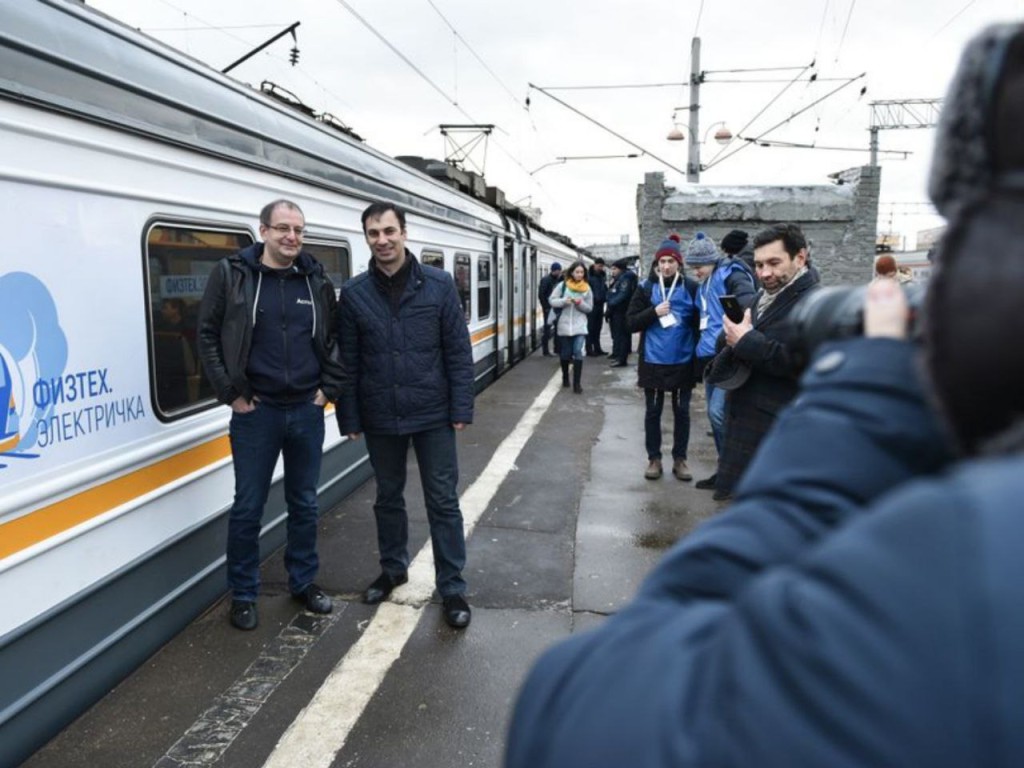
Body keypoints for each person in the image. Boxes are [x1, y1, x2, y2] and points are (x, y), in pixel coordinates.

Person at [507, 22, 1024, 766]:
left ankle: (687, 460)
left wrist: (862, 407)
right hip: (683, 374)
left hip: (733, 393)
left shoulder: (968, 556)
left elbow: (580, 714)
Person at [197, 199, 343, 631]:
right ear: (263, 231)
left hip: (306, 409)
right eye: (282, 228)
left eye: (298, 229)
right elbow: (206, 333)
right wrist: (231, 394)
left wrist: (327, 392)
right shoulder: (233, 275)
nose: (292, 237)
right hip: (255, 412)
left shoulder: (315, 280)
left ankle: (303, 582)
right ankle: (243, 594)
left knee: (304, 502)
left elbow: (336, 340)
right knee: (248, 506)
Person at [336, 201, 474, 629]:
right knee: (387, 498)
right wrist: (350, 417)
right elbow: (349, 362)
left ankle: (452, 586)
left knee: (443, 501)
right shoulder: (355, 294)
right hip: (381, 415)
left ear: (404, 232)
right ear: (366, 238)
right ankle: (393, 568)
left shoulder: (439, 285)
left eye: (389, 231)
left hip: (432, 413)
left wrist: (461, 406)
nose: (383, 240)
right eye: (374, 233)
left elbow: (457, 351)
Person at [705, 223, 820, 501]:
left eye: (774, 263)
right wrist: (730, 335)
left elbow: (804, 363)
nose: (764, 273)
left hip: (779, 439)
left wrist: (745, 341)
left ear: (800, 258)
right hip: (748, 429)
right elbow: (746, 339)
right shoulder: (762, 296)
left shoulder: (814, 303)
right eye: (758, 265)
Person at [686, 232, 756, 490]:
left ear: (712, 261)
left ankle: (737, 472)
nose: (696, 272)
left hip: (728, 354)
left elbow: (748, 301)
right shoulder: (705, 284)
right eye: (692, 267)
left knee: (719, 413)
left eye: (699, 266)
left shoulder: (730, 275)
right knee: (713, 414)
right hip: (708, 358)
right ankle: (725, 470)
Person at [626, 235, 699, 481]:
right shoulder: (645, 288)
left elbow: (701, 323)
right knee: (653, 412)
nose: (666, 266)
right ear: (657, 264)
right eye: (662, 262)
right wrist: (653, 312)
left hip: (683, 360)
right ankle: (654, 459)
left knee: (682, 412)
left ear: (679, 263)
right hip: (653, 361)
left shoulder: (690, 287)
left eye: (670, 261)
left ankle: (680, 460)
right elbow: (631, 322)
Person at [548, 260, 593, 394]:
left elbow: (589, 308)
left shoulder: (587, 289)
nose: (579, 274)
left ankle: (577, 384)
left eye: (582, 272)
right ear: (572, 272)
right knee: (566, 354)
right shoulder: (562, 286)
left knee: (578, 352)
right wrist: (563, 301)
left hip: (580, 326)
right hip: (564, 325)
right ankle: (565, 376)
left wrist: (580, 303)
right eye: (577, 272)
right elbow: (552, 300)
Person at [605, 258, 637, 367]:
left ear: (620, 269)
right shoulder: (620, 278)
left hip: (621, 310)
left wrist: (611, 303)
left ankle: (621, 359)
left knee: (621, 335)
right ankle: (618, 354)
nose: (612, 271)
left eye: (614, 269)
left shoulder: (625, 279)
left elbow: (622, 295)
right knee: (618, 334)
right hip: (617, 310)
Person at [537, 262, 562, 356]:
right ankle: (545, 351)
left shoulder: (558, 280)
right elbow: (541, 295)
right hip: (548, 309)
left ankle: (557, 349)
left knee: (557, 329)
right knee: (547, 329)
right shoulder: (546, 280)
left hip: (556, 308)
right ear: (554, 270)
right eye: (558, 271)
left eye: (559, 271)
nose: (559, 273)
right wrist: (546, 307)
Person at [585, 257, 608, 356]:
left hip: (600, 305)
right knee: (590, 328)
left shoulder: (602, 277)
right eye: (599, 266)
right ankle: (589, 349)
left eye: (602, 266)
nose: (601, 268)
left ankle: (597, 348)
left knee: (598, 328)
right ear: (594, 265)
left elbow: (603, 289)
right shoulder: (589, 277)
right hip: (591, 305)